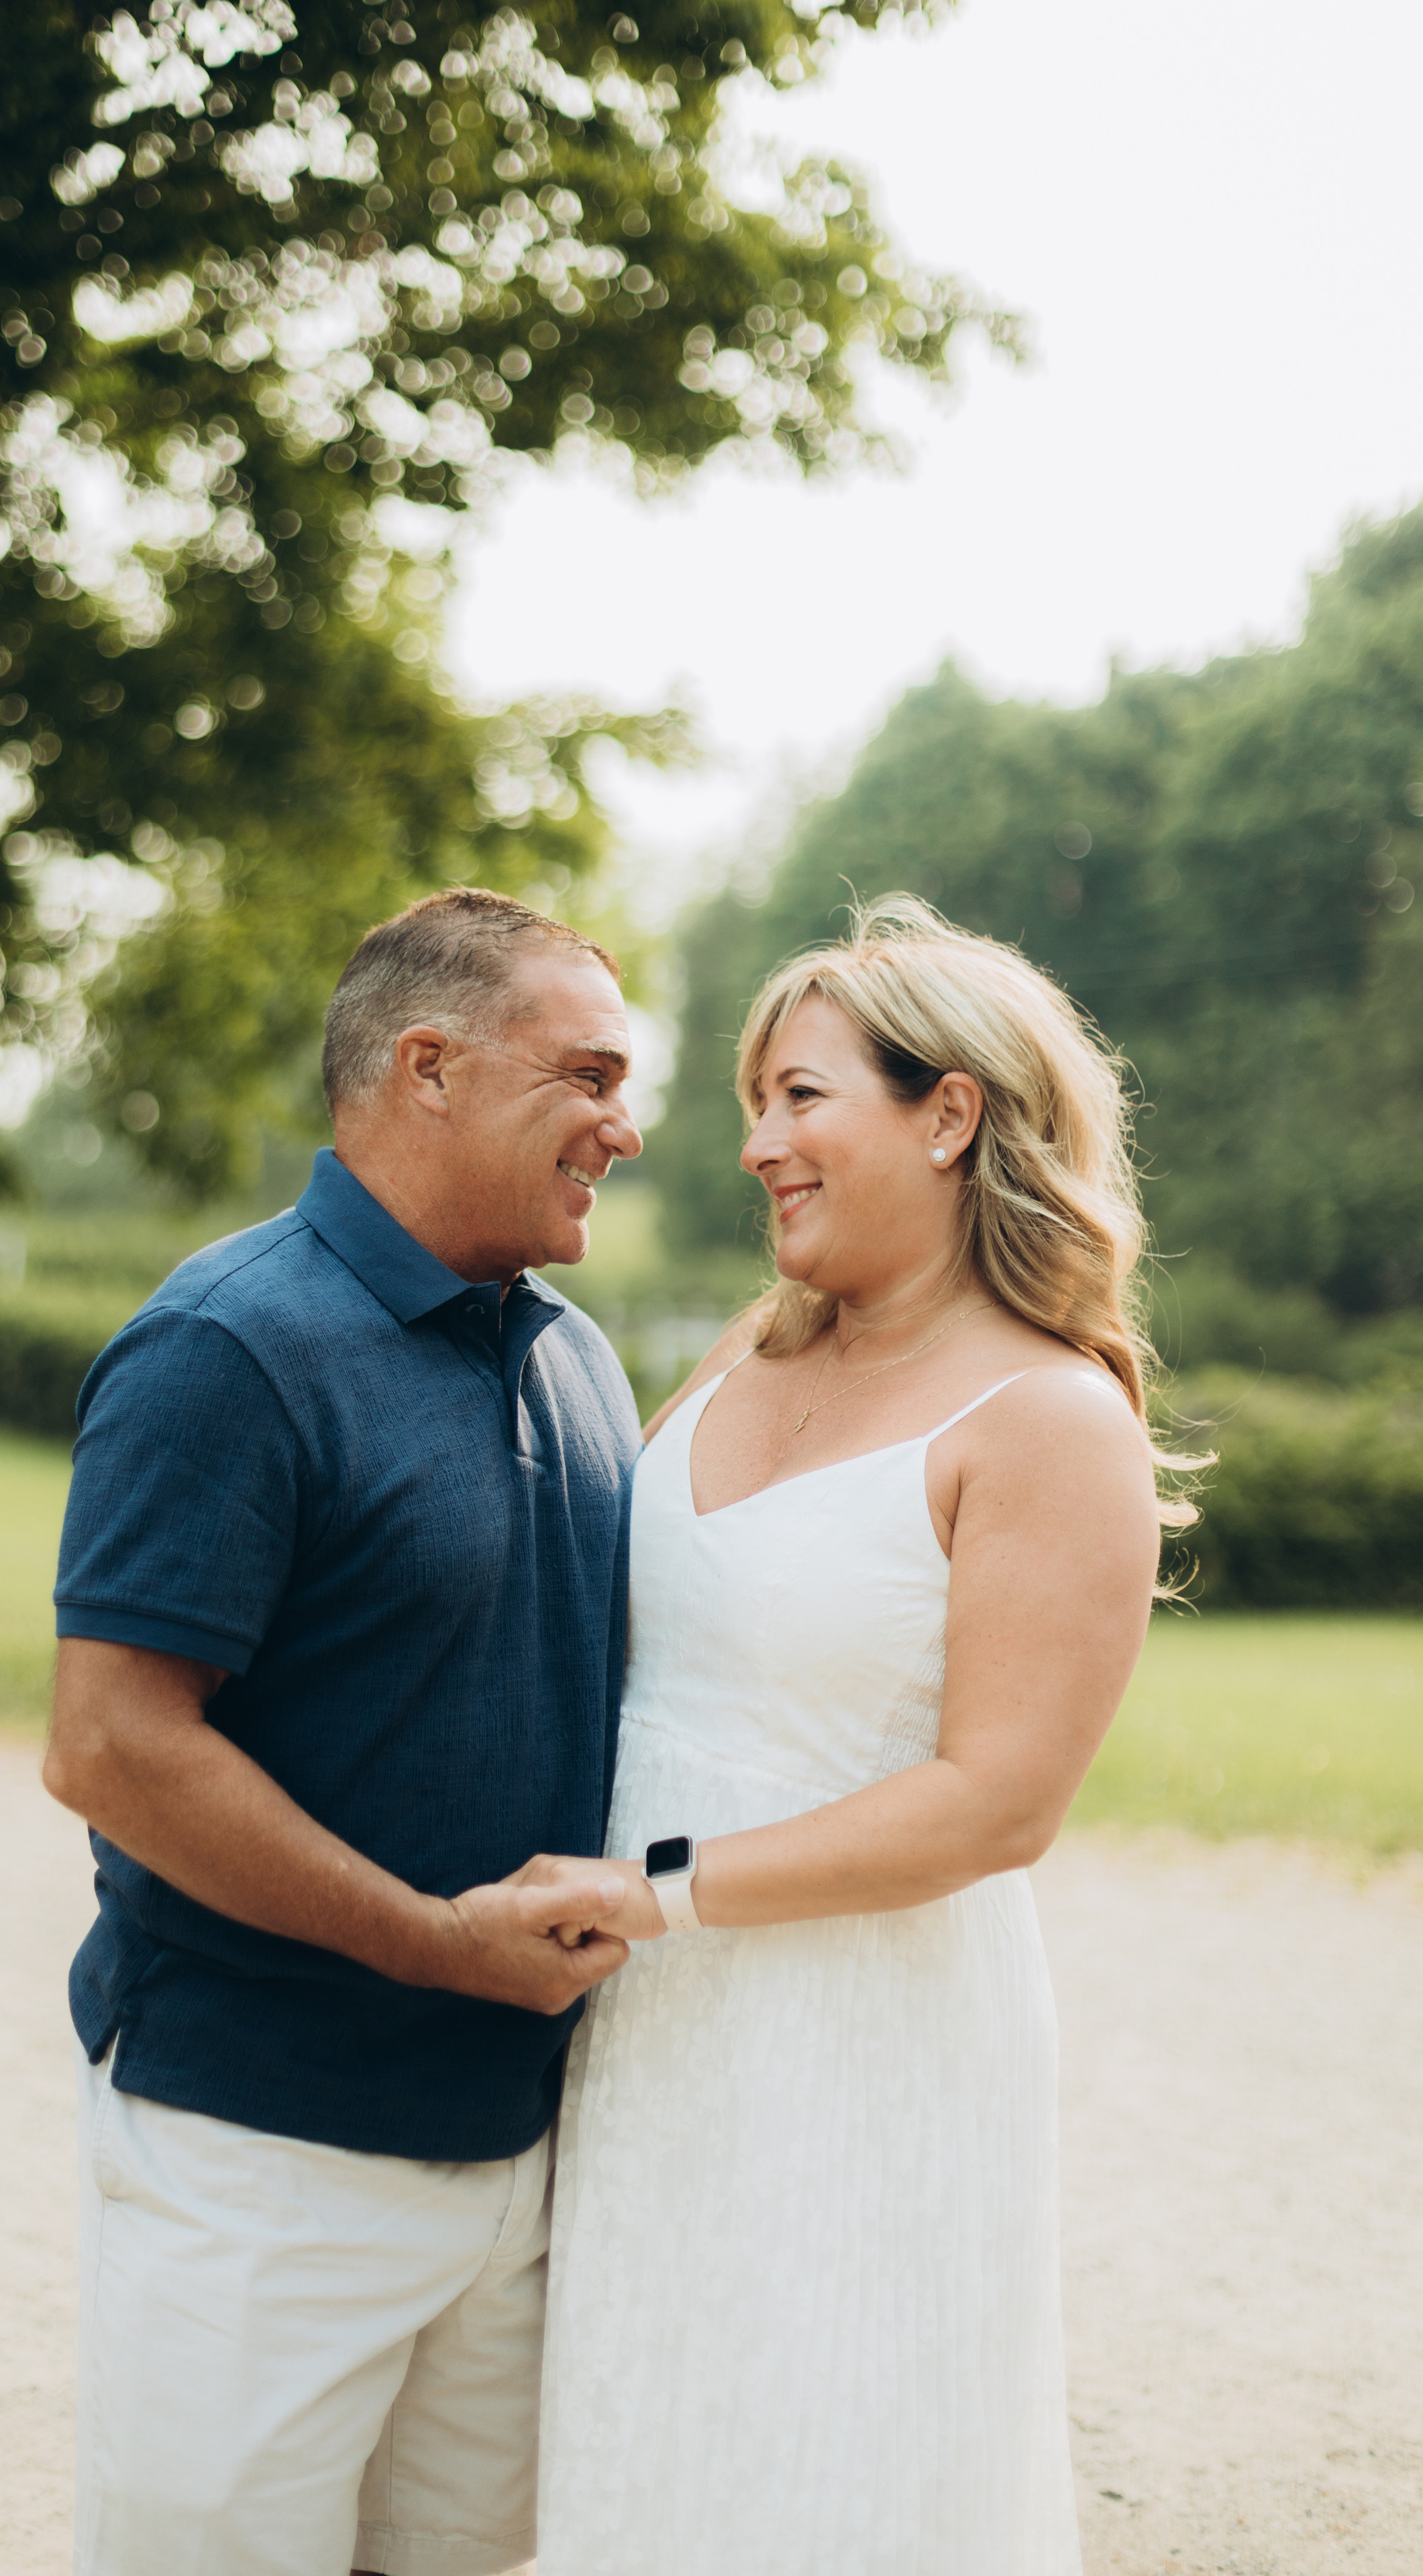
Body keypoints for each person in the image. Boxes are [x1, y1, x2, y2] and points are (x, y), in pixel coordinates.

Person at [531, 897, 1188, 2576]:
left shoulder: (1046, 1419)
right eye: (755, 1103)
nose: (756, 1146)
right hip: (644, 2028)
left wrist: (653, 1893)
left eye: (798, 1097)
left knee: (829, 2464)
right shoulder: (748, 1347)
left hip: (858, 2043)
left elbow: (993, 1804)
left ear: (947, 1112)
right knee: (645, 2444)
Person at [42, 888, 643, 2576]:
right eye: (587, 1075)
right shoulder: (226, 1347)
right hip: (260, 2156)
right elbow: (111, 1748)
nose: (630, 1123)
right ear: (429, 1066)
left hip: (513, 2155)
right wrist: (438, 1946)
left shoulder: (577, 1359)